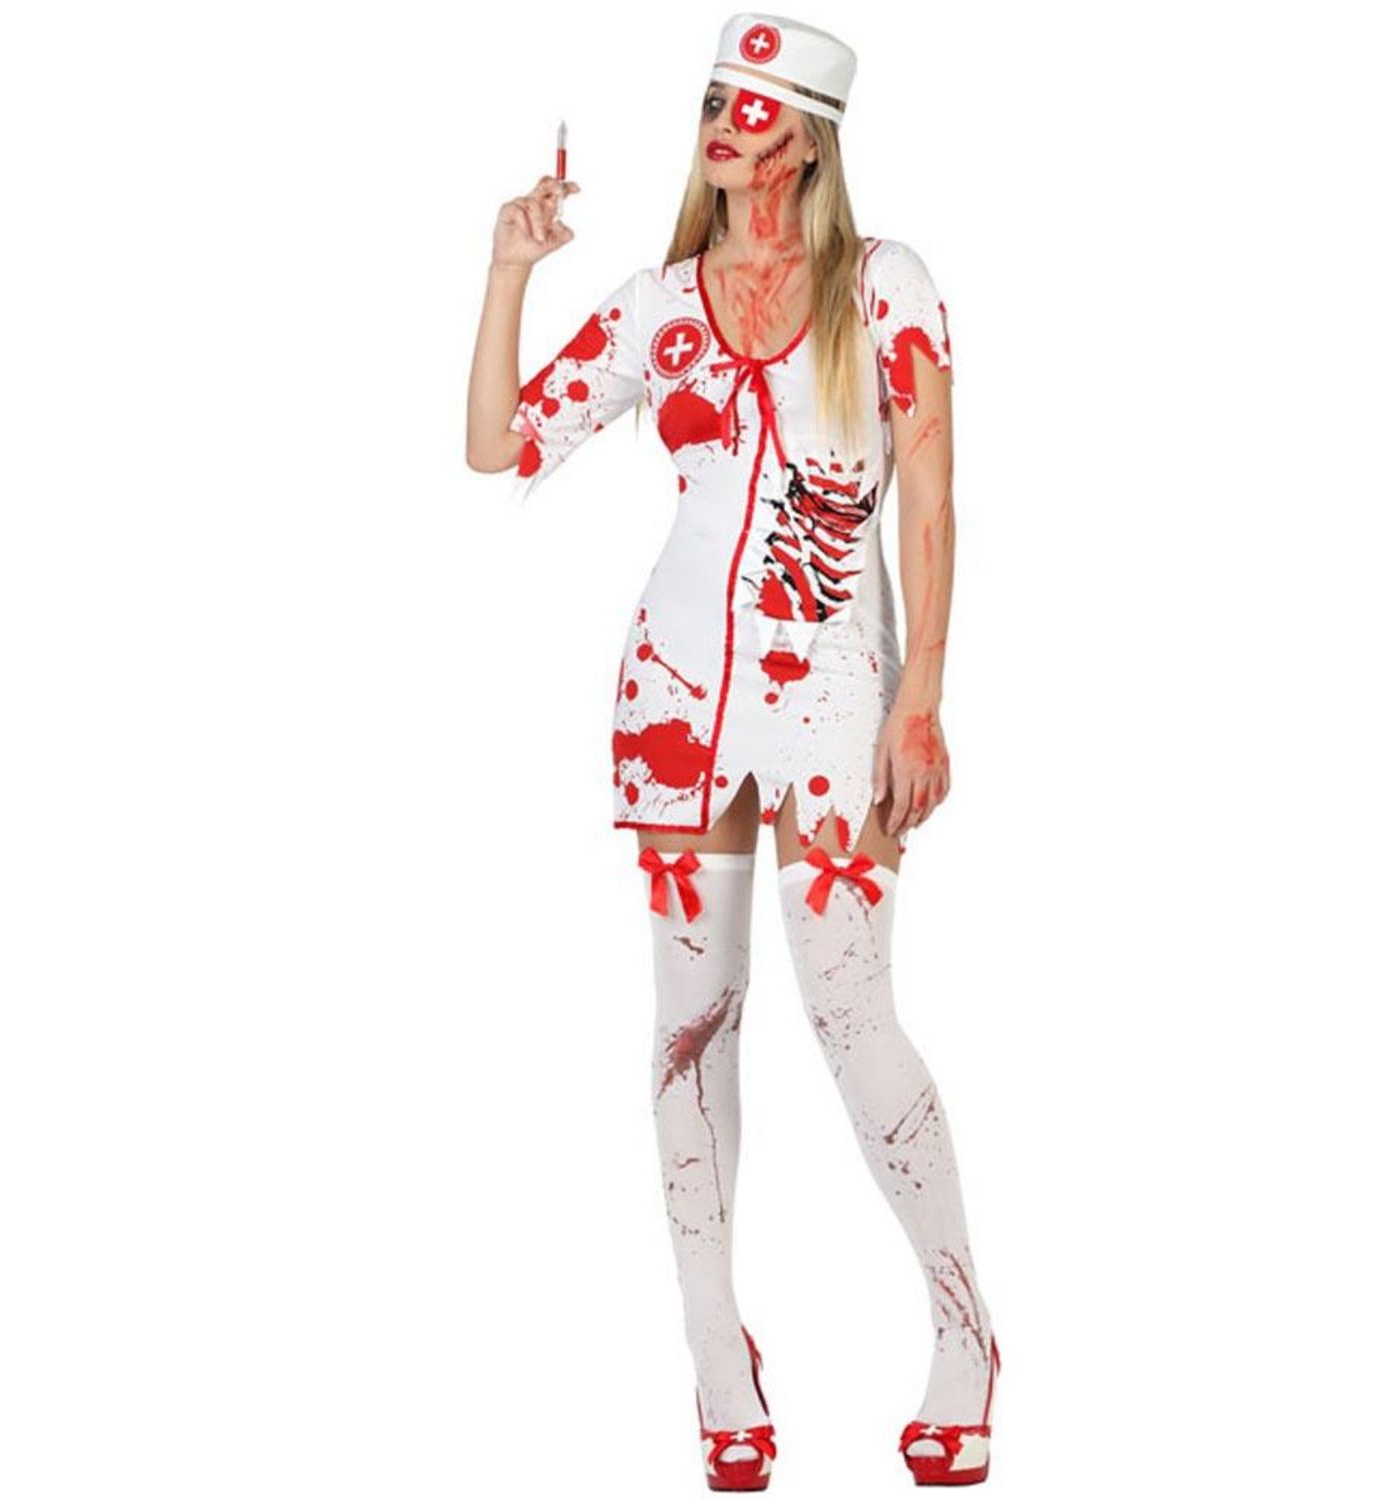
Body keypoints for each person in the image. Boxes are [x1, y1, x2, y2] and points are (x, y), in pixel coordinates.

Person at [466, 13, 1000, 1489]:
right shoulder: (662, 305)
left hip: (836, 688)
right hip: (676, 696)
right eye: (712, 95)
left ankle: (964, 1332)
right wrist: (511, 270)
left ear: (806, 140)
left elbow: (931, 498)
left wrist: (923, 692)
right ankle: (718, 1354)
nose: (723, 120)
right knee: (690, 1024)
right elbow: (500, 443)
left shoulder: (885, 285)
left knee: (853, 1014)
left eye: (752, 103)